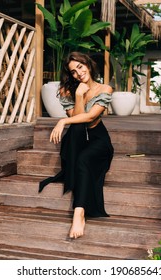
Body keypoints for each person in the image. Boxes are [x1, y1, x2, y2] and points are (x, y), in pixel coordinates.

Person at [39, 52, 114, 239]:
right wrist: (79, 95)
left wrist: (62, 122)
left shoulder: (105, 89)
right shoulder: (67, 90)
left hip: (98, 138)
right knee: (77, 138)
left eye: (80, 67)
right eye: (73, 71)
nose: (78, 73)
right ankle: (79, 213)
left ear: (88, 65)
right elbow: (77, 122)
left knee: (83, 160)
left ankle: (78, 213)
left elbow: (89, 118)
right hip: (77, 137)